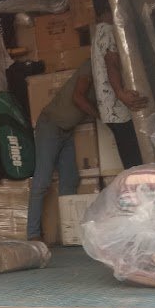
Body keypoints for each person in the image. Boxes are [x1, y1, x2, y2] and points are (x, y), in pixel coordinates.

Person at [27, 59, 97, 241]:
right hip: (50, 125)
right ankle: (33, 234)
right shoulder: (90, 65)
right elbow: (78, 98)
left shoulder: (105, 77)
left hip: (67, 130)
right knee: (42, 181)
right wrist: (101, 116)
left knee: (70, 180)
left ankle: (67, 234)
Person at [91, 0, 147, 168]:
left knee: (130, 158)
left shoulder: (98, 32)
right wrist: (121, 93)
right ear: (109, 7)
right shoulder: (108, 31)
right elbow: (112, 63)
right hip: (118, 109)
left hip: (109, 109)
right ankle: (138, 184)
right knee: (135, 160)